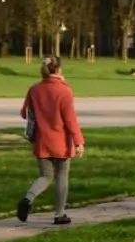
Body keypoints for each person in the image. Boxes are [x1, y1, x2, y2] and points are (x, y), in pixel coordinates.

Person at [17, 55, 84, 225]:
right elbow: (70, 119)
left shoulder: (34, 89)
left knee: (45, 176)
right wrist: (79, 142)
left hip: (42, 140)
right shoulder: (64, 91)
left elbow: (24, 113)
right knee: (61, 176)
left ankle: (27, 199)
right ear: (59, 69)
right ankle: (59, 214)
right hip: (61, 142)